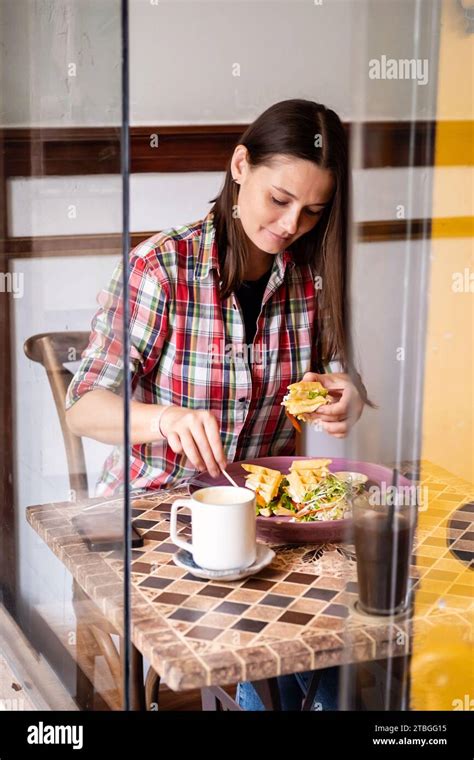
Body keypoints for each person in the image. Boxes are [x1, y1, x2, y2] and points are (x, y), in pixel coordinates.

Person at [65, 98, 375, 710]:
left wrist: (349, 396)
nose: (291, 225)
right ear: (240, 166)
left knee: (350, 626)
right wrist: (165, 419)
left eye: (313, 211)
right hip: (159, 516)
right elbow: (83, 406)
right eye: (279, 200)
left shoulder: (311, 276)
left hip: (267, 516)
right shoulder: (161, 269)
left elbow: (336, 374)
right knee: (294, 642)